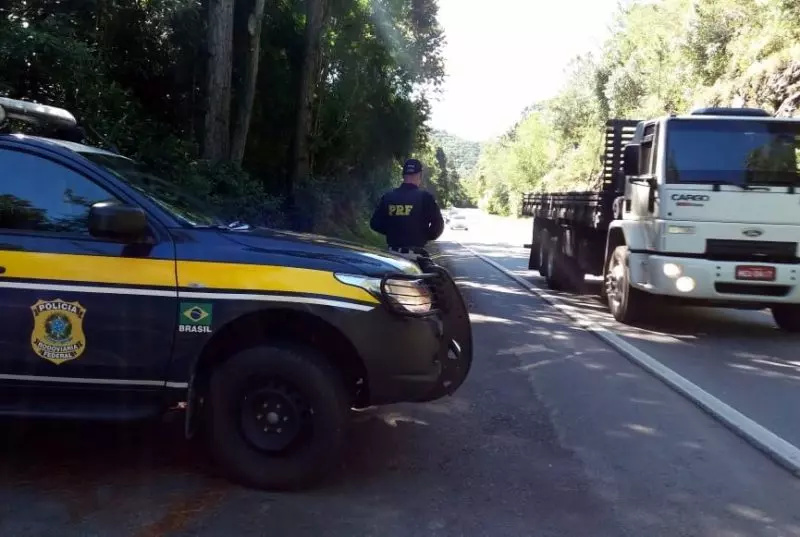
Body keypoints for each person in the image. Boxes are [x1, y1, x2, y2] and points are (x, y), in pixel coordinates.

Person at [370, 158, 444, 260]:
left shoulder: (388, 196)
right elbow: (438, 225)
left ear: (403, 175)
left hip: (392, 256)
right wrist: (424, 236)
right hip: (416, 256)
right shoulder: (425, 197)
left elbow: (375, 223)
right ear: (419, 175)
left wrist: (392, 232)